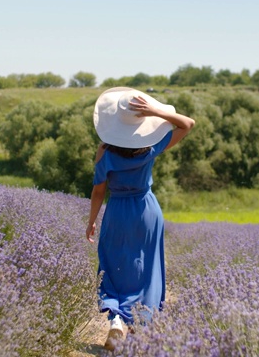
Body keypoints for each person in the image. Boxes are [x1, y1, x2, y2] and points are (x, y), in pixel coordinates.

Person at [86, 87, 195, 350]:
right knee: (145, 267)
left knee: (112, 262)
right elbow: (187, 124)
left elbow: (98, 190)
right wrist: (156, 111)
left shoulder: (105, 154)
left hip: (117, 211)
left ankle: (115, 322)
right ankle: (138, 323)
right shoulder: (150, 149)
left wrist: (91, 221)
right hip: (146, 210)